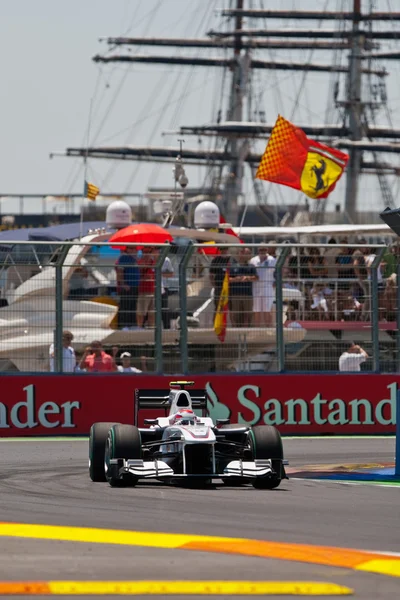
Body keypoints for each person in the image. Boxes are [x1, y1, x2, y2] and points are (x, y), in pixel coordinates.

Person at [229, 247, 258, 327]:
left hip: (247, 295)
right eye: (247, 253)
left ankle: (249, 330)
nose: (249, 255)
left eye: (250, 253)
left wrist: (247, 278)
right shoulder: (233, 266)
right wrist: (236, 279)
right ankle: (237, 331)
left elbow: (256, 277)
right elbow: (228, 279)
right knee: (237, 315)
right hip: (235, 295)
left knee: (248, 314)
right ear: (241, 254)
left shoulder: (251, 266)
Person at [250, 245, 276, 326]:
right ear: (258, 250)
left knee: (267, 310)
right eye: (260, 249)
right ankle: (257, 330)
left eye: (264, 249)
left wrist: (276, 282)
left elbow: (278, 272)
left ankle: (268, 330)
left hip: (268, 287)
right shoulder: (253, 260)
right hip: (256, 288)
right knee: (256, 310)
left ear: (267, 250)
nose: (262, 251)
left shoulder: (272, 260)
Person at [115, 246, 140, 329]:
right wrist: (123, 284)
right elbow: (120, 272)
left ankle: (132, 325)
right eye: (131, 248)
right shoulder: (124, 258)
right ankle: (123, 325)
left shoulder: (135, 259)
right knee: (125, 306)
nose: (134, 250)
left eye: (135, 249)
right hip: (128, 287)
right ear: (127, 249)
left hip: (135, 286)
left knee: (133, 306)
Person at [137, 248, 156, 328]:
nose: (147, 254)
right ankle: (139, 328)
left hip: (152, 290)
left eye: (149, 251)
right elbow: (136, 277)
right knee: (141, 312)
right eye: (145, 251)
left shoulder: (154, 263)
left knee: (152, 312)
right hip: (143, 290)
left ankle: (151, 328)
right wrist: (144, 277)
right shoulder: (139, 263)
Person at [209, 247, 231, 315]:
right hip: (219, 287)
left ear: (227, 249)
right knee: (218, 306)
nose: (223, 250)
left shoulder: (231, 259)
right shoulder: (215, 260)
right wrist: (215, 286)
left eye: (224, 249)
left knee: (230, 307)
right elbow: (211, 275)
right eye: (221, 249)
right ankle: (216, 324)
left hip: (230, 287)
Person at [161, 255, 174, 329]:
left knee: (164, 307)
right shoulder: (147, 257)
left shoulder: (166, 260)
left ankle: (167, 327)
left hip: (163, 286)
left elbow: (171, 273)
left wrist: (159, 273)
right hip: (150, 286)